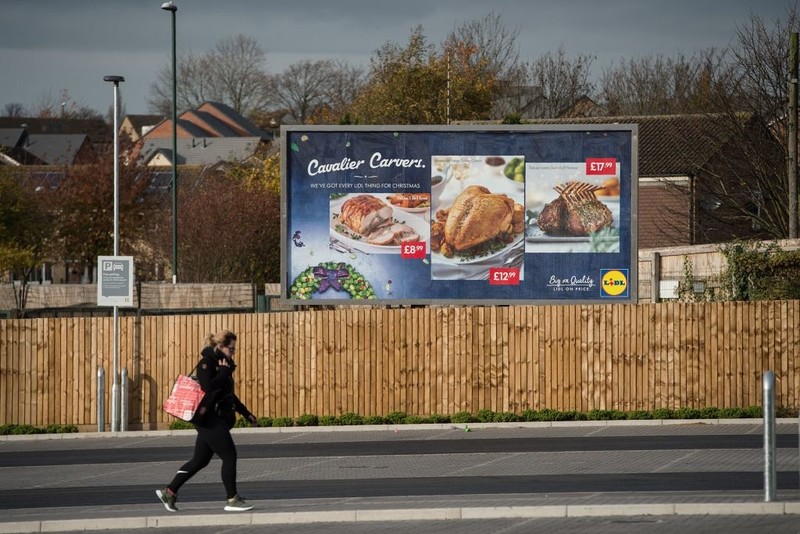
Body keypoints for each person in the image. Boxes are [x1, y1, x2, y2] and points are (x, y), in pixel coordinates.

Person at [156, 330, 258, 513]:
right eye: (231, 349)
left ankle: (169, 492)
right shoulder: (207, 363)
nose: (233, 352)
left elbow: (227, 394)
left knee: (199, 460)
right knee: (229, 456)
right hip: (208, 418)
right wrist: (224, 372)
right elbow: (208, 386)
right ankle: (232, 499)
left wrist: (246, 413)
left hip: (215, 417)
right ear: (220, 346)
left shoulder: (224, 363)